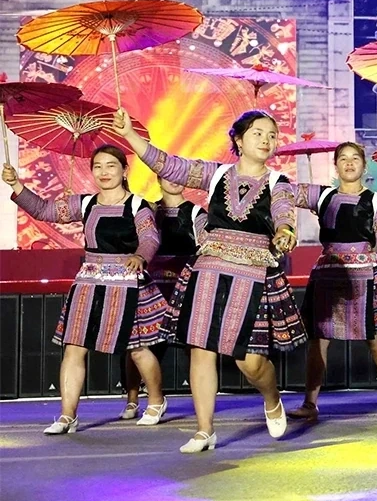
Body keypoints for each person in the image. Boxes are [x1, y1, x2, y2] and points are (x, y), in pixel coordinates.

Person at [113, 108, 306, 452]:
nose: (266, 140)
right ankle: (205, 430)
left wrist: (285, 230)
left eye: (272, 135)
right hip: (209, 270)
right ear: (238, 139)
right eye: (258, 133)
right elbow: (168, 164)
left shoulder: (279, 184)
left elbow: (283, 213)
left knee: (250, 362)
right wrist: (130, 135)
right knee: (200, 351)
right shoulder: (215, 175)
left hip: (253, 275)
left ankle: (272, 398)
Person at [4, 146, 166, 433]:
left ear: (124, 170)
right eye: (98, 166)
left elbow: (150, 237)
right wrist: (16, 183)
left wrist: (140, 256)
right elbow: (43, 210)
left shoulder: (137, 205)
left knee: (138, 350)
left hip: (126, 284)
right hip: (89, 283)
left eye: (111, 166)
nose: (104, 172)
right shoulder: (86, 203)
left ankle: (155, 400)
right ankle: (67, 415)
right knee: (74, 349)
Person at [287, 143, 377, 419]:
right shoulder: (323, 196)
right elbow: (285, 191)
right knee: (318, 340)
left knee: (374, 338)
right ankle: (309, 402)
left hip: (365, 273)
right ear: (336, 166)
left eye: (355, 158)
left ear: (364, 166)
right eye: (343, 158)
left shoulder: (376, 201)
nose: (349, 163)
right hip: (329, 272)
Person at [121, 177, 205, 419]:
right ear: (158, 179)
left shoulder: (196, 212)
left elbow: (205, 244)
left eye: (178, 175)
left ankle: (200, 398)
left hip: (185, 283)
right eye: (167, 175)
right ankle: (132, 400)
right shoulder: (147, 209)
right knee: (137, 343)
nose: (174, 181)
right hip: (150, 284)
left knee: (193, 344)